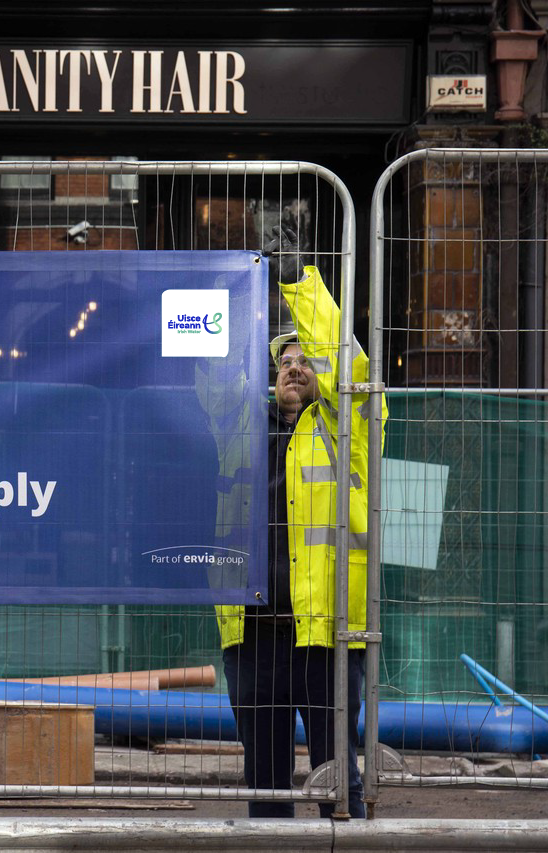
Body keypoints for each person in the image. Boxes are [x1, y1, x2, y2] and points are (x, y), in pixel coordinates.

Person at [217, 228, 386, 819]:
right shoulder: (240, 429)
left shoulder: (349, 430)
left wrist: (299, 284)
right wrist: (228, 287)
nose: (294, 368)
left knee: (337, 777)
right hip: (254, 630)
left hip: (325, 631)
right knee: (263, 784)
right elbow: (211, 377)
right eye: (283, 361)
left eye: (304, 360)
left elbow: (350, 363)